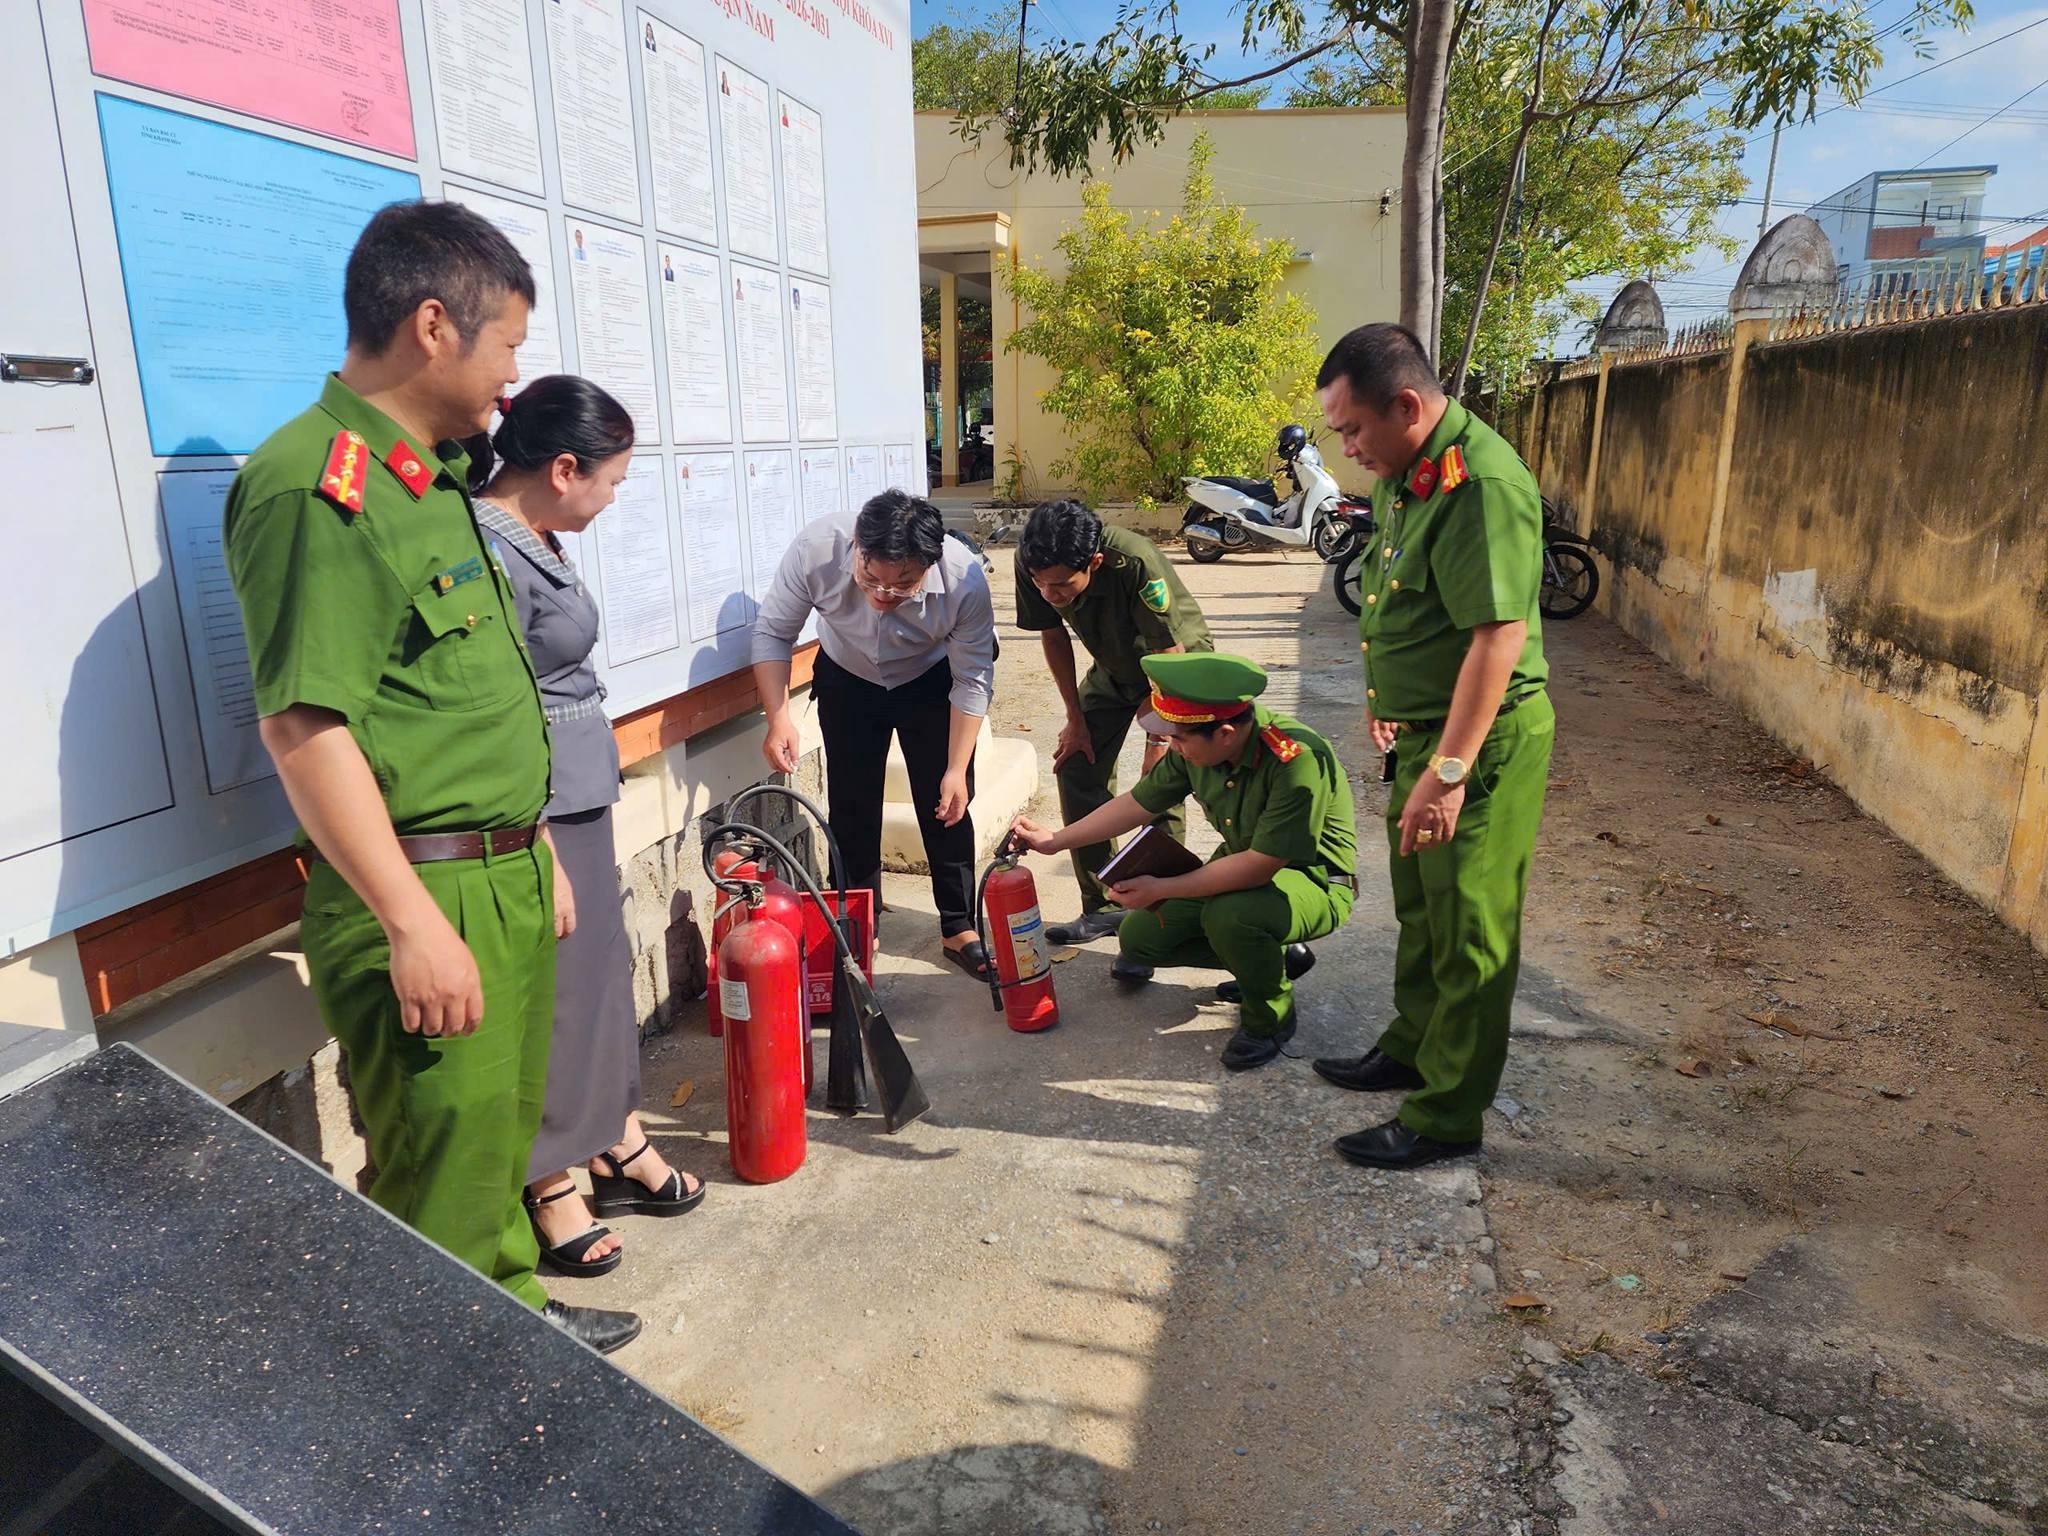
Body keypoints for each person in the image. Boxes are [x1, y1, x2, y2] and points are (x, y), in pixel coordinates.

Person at [223, 201, 638, 1353]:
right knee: (439, 1171)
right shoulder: (318, 487)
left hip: (499, 874)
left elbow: (462, 698)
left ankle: (511, 1325)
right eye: (506, 343)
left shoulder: (432, 482)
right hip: (423, 888)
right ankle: (446, 1392)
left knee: (494, 1144)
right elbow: (305, 728)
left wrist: (534, 845)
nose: (512, 376)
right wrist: (410, 923)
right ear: (432, 326)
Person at [467, 376, 708, 1280]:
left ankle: (615, 1136)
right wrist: (529, 828)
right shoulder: (485, 547)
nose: (612, 500)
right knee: (558, 995)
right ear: (564, 469)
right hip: (535, 802)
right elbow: (489, 710)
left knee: (600, 977)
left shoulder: (534, 536)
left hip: (578, 790)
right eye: (609, 482)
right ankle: (549, 1178)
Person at [1310, 323, 1555, 1171]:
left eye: (1352, 429)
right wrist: (1389, 705)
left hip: (1478, 746)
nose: (1346, 449)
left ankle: (1448, 1112)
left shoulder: (1480, 485)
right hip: (1424, 731)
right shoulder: (1408, 475)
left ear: (1406, 406)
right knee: (1423, 904)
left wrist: (1449, 772)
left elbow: (1498, 637)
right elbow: (1396, 602)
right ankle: (1415, 1044)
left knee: (1471, 927)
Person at [1009, 653, 1357, 1070]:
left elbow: (1260, 866)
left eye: (1179, 739)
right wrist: (1054, 841)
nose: (1172, 746)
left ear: (1225, 734)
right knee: (1141, 938)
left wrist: (1163, 887)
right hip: (1239, 865)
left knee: (1232, 917)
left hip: (1311, 880)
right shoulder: (1197, 744)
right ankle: (1274, 960)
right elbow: (1137, 804)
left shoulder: (1295, 759)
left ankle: (1270, 1016)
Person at [752, 490, 997, 977]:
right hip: (848, 676)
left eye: (903, 585)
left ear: (929, 564)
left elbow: (972, 679)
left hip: (929, 678)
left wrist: (956, 768)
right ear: (858, 549)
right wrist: (777, 717)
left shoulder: (963, 579)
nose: (883, 595)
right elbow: (773, 632)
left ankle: (958, 925)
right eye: (871, 578)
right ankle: (859, 921)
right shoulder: (817, 550)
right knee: (852, 802)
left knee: (946, 802)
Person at [1010, 500, 1213, 947]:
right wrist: (1074, 719)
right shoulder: (1034, 561)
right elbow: (1052, 635)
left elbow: (1168, 654)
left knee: (1161, 787)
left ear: (1095, 563)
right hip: (1115, 668)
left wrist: (1159, 743)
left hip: (1177, 668)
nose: (1050, 594)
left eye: (1061, 585)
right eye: (1042, 584)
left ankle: (1158, 921)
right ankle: (1103, 906)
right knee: (1076, 764)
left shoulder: (1133, 559)